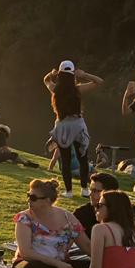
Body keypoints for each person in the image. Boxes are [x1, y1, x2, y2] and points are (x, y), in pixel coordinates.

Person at [11, 178, 89, 268]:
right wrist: (58, 264)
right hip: (32, 263)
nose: (28, 200)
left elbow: (87, 246)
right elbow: (25, 253)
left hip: (60, 266)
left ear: (47, 201)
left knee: (89, 267)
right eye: (28, 195)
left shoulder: (67, 218)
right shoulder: (24, 218)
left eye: (33, 198)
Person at [42, 60, 103, 197]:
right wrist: (84, 74)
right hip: (77, 124)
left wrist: (53, 74)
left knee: (65, 159)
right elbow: (99, 82)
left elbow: (45, 79)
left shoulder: (54, 88)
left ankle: (69, 191)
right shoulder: (78, 89)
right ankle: (85, 189)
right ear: (73, 74)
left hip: (62, 125)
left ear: (60, 74)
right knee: (83, 158)